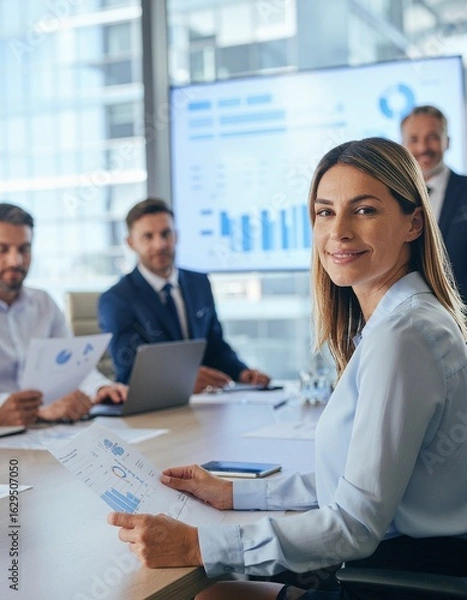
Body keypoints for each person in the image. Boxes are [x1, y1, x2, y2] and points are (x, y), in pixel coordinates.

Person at [107, 138, 467, 599]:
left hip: (401, 579)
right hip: (403, 563)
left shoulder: (403, 336)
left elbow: (353, 525)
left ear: (414, 222)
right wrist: (234, 494)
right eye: (324, 212)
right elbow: (354, 483)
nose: (338, 231)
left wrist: (198, 544)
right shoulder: (402, 321)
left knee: (208, 594)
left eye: (364, 211)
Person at [98, 199, 270, 393]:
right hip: (152, 409)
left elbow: (214, 346)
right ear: (130, 243)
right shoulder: (117, 299)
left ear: (176, 236)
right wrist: (183, 380)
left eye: (166, 234)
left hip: (206, 404)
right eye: (148, 237)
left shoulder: (199, 283)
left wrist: (241, 372)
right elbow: (128, 371)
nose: (160, 244)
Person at [0, 203, 127, 427]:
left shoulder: (43, 303)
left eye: (24, 249)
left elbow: (75, 365)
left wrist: (101, 388)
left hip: (45, 431)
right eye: (3, 249)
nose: (15, 261)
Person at [401, 104, 467, 303]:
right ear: (402, 146)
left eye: (433, 137)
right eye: (414, 139)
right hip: (408, 317)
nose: (423, 148)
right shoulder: (393, 197)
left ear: (447, 141)